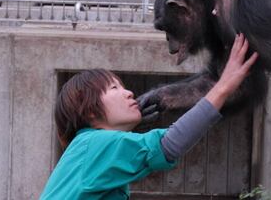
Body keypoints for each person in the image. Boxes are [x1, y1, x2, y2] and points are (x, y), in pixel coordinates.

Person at [40, 34, 258, 199]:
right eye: (114, 88)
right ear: (89, 111)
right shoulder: (94, 144)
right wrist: (223, 87)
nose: (128, 93)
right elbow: (169, 144)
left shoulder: (89, 149)